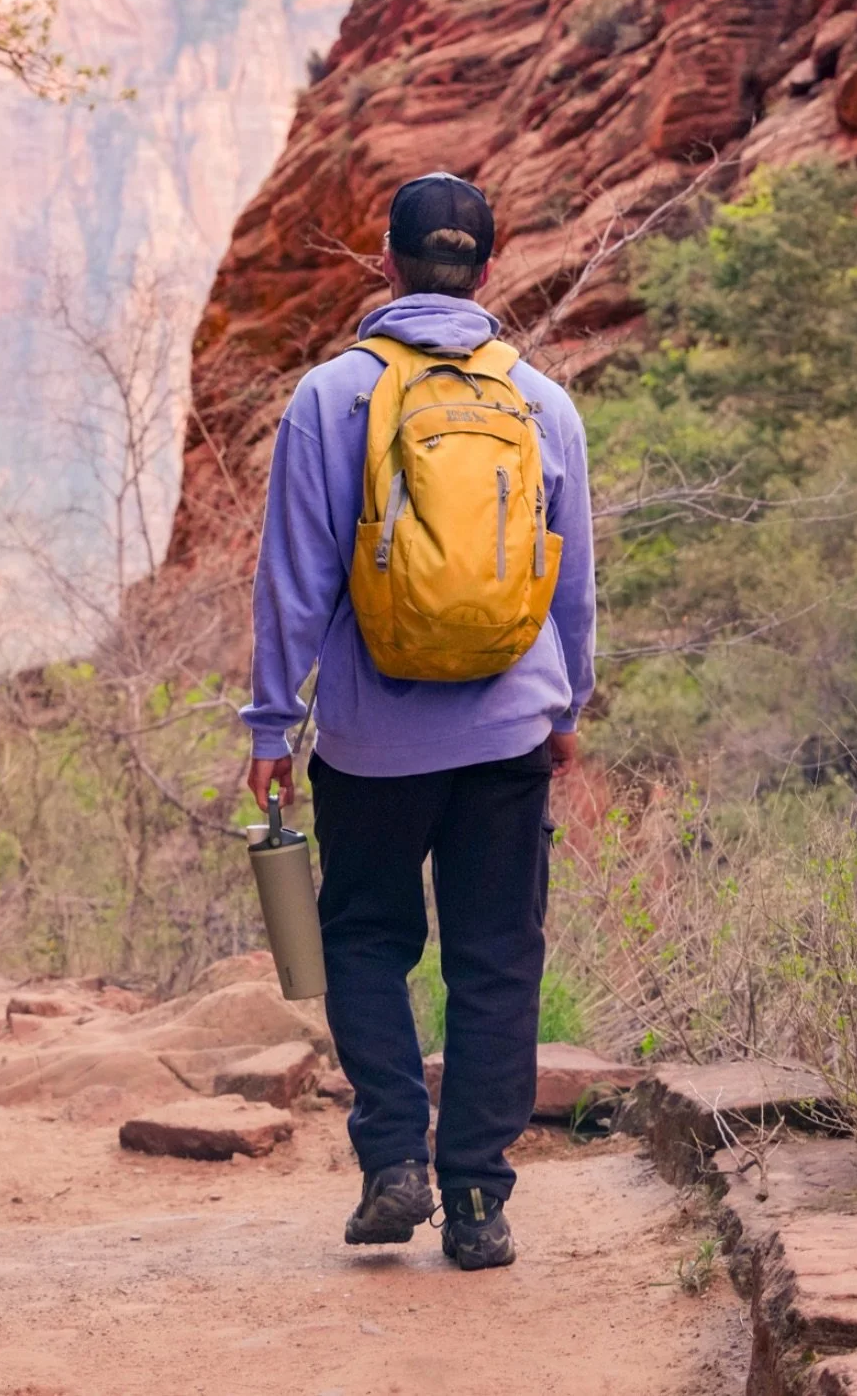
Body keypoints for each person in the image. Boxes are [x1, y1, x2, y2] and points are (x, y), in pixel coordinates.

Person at [242, 171, 595, 1270]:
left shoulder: (330, 396)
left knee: (363, 938)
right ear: (488, 271)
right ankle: (480, 1202)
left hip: (369, 739)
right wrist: (566, 704)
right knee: (496, 959)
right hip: (507, 737)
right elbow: (571, 581)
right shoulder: (544, 402)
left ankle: (394, 1159)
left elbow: (294, 583)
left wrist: (269, 728)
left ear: (385, 263)